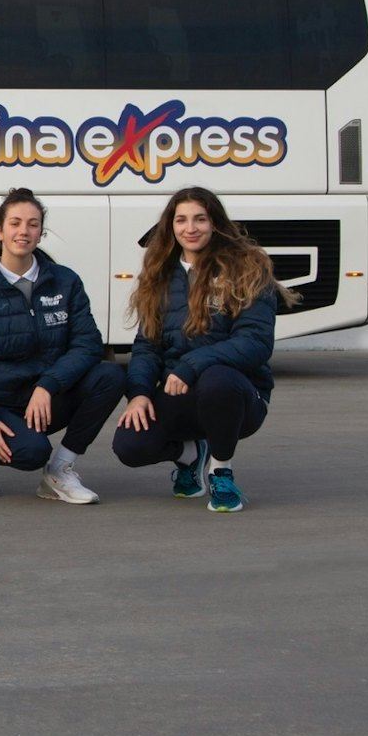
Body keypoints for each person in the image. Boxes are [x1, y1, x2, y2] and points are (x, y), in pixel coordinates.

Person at [112, 186, 295, 512]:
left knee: (216, 379)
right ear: (171, 226)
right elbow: (147, 346)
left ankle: (221, 471)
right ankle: (192, 455)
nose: (190, 228)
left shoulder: (248, 270)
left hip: (239, 396)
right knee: (130, 445)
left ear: (215, 223)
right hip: (179, 393)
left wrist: (192, 365)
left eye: (200, 219)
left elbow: (255, 342)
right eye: (181, 220)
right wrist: (138, 393)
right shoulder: (159, 277)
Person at [0, 188, 123, 504]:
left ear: (40, 233)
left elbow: (88, 345)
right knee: (32, 452)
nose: (24, 231)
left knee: (109, 376)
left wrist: (48, 385)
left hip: (43, 400)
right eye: (15, 223)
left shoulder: (65, 281)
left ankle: (59, 470)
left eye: (32, 224)